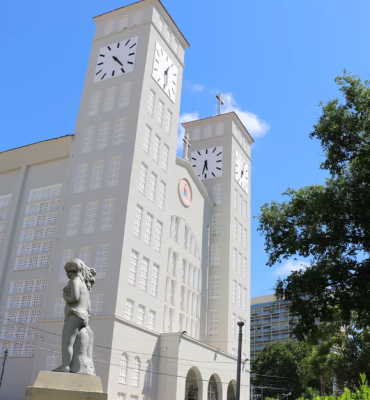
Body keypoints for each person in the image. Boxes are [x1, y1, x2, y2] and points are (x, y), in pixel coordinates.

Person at [54, 258, 96, 372]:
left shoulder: (74, 281)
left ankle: (65, 366)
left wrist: (64, 295)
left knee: (67, 342)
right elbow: (89, 306)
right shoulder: (86, 286)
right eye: (68, 272)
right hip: (83, 317)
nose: (69, 274)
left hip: (74, 314)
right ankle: (75, 366)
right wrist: (86, 318)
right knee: (78, 342)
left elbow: (73, 298)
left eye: (71, 271)